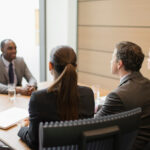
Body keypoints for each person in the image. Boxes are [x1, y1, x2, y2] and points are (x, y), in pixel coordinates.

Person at [18, 45, 95, 149]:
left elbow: (34, 142)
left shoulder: (39, 98)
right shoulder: (88, 94)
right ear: (75, 66)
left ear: (50, 66)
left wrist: (22, 128)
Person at [95, 41, 150, 150]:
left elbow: (93, 125)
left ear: (119, 64)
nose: (110, 61)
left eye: (112, 58)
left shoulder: (117, 95)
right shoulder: (147, 84)